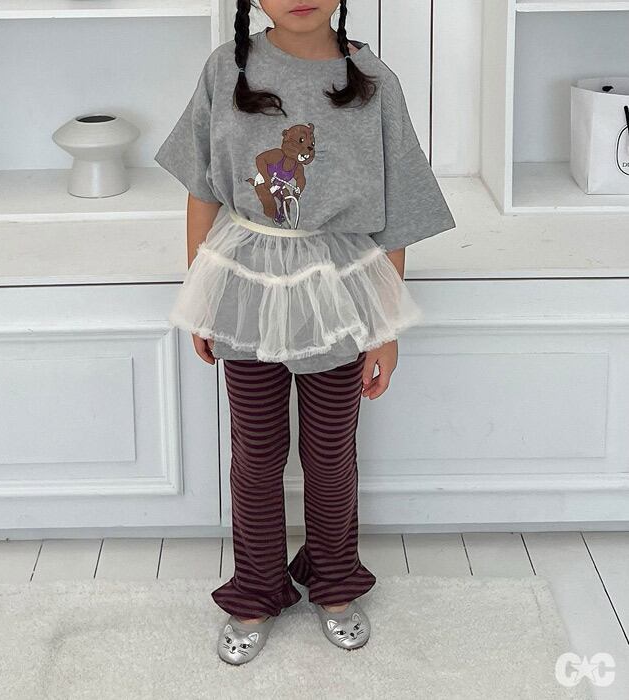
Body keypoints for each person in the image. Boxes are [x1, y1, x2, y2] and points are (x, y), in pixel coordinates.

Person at [154, 0, 456, 666]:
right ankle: (256, 588)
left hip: (339, 292)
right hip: (245, 286)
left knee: (330, 450)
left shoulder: (373, 82)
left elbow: (396, 213)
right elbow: (203, 187)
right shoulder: (226, 69)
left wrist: (385, 328)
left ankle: (334, 580)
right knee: (256, 452)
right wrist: (201, 295)